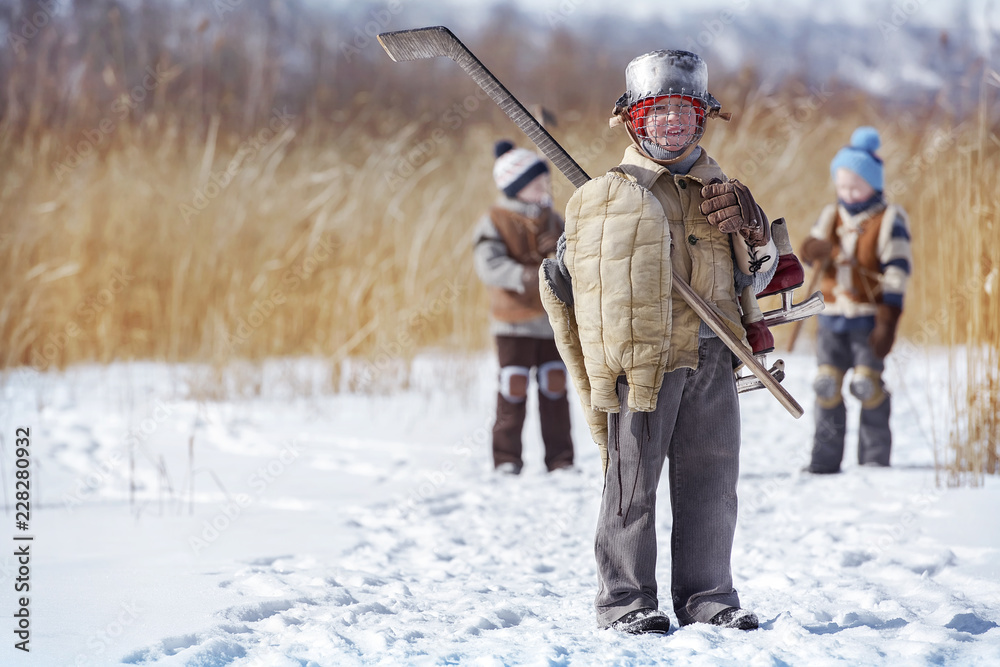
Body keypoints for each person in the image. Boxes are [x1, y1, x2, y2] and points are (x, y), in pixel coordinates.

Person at [539, 50, 777, 634]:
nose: (671, 121)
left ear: (702, 119)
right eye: (658, 110)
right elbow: (570, 283)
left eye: (684, 110)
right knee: (632, 481)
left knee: (713, 482)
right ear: (633, 119)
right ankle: (625, 601)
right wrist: (577, 251)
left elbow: (762, 276)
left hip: (715, 350)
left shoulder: (722, 192)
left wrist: (756, 232)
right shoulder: (604, 196)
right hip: (641, 360)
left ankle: (708, 597)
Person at [799, 126, 912, 473]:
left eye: (855, 185)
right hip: (831, 316)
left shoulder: (890, 219)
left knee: (867, 384)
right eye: (842, 185)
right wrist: (818, 250)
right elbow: (809, 250)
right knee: (827, 384)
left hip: (868, 317)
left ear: (873, 184)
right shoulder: (831, 215)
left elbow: (898, 269)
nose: (847, 192)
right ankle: (825, 460)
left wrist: (888, 321)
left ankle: (875, 458)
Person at [472, 140, 575, 475]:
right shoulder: (496, 219)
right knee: (513, 386)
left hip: (550, 321)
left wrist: (560, 249)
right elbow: (488, 264)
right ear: (516, 187)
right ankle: (506, 459)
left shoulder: (553, 218)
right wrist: (528, 276)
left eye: (545, 183)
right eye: (535, 184)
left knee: (554, 383)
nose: (544, 188)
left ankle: (560, 459)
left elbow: (574, 262)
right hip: (513, 321)